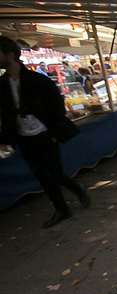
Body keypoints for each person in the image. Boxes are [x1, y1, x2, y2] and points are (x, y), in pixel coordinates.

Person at [0, 36, 90, 228]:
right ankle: (62, 208)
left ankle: (75, 189)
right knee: (41, 174)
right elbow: (5, 114)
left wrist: (54, 133)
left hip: (45, 133)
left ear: (9, 54)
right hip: (23, 136)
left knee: (54, 172)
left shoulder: (38, 80)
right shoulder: (2, 84)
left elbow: (56, 107)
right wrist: (6, 138)